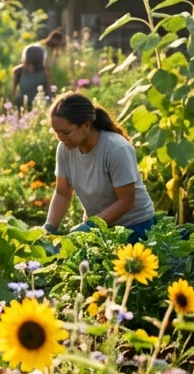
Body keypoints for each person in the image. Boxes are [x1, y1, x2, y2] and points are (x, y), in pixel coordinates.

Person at [44, 92, 156, 242]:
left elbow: (126, 201)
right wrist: (49, 228)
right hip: (99, 226)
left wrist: (91, 226)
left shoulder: (116, 148)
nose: (61, 138)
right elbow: (62, 192)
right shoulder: (65, 148)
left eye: (65, 132)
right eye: (56, 133)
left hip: (135, 226)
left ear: (86, 125)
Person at [12, 44, 49, 109]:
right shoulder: (19, 71)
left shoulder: (44, 71)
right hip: (22, 105)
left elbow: (48, 90)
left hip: (38, 105)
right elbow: (14, 92)